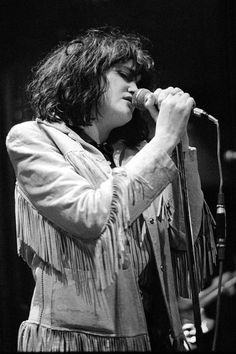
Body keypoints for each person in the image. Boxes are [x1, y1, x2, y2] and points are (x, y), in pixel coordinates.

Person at [6, 26, 216, 352]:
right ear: (86, 75)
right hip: (77, 340)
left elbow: (184, 237)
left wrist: (178, 141)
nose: (135, 88)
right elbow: (89, 215)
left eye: (139, 81)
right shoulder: (34, 140)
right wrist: (161, 142)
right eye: (124, 76)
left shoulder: (137, 154)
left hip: (154, 336)